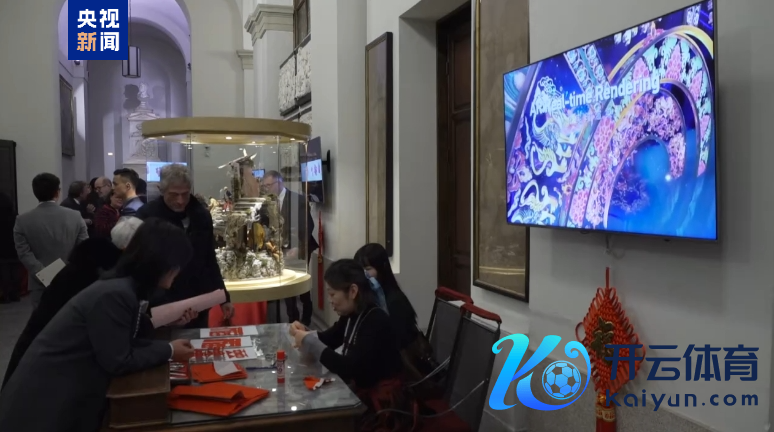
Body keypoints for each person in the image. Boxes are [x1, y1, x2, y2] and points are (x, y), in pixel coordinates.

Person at [0, 218, 196, 432]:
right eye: (177, 265)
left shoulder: (120, 287)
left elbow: (121, 335)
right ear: (161, 262)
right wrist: (169, 350)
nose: (178, 272)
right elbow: (119, 359)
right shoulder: (116, 293)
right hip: (44, 405)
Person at [1, 238, 122, 389]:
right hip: (45, 364)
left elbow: (24, 252)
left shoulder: (71, 274)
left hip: (35, 346)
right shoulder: (84, 281)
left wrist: (41, 272)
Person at [136, 164, 235, 327]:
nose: (180, 201)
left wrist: (224, 297)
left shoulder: (201, 215)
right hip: (161, 302)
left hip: (197, 300)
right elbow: (141, 265)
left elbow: (209, 259)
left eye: (185, 194)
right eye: (174, 195)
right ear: (161, 190)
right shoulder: (147, 216)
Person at [14, 173, 88, 308]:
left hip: (40, 283)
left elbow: (24, 253)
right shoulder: (75, 216)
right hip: (70, 280)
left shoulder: (22, 220)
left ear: (35, 192)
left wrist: (45, 274)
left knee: (42, 319)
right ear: (57, 192)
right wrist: (68, 270)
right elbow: (84, 248)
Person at [262, 170, 318, 325]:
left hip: (299, 247)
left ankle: (306, 318)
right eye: (265, 186)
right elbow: (265, 224)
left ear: (279, 182)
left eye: (269, 185)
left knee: (300, 284)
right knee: (286, 285)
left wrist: (298, 248)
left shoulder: (297, 199)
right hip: (280, 248)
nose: (267, 189)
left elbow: (307, 226)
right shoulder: (267, 202)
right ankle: (292, 319)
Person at [355, 243, 418, 349]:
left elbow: (400, 342)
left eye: (368, 269)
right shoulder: (366, 297)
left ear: (382, 268)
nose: (364, 275)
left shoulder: (395, 301)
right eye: (360, 270)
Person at [0, 192, 21, 303]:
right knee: (15, 270)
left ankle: (5, 294)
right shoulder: (15, 217)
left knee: (4, 270)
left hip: (2, 247)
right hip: (14, 246)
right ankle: (15, 294)